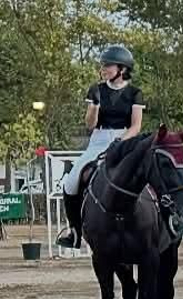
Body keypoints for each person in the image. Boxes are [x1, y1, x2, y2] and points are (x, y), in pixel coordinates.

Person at [56, 44, 146, 248]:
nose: (104, 68)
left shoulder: (135, 93)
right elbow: (90, 124)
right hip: (99, 140)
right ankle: (75, 232)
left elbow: (136, 126)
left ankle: (166, 220)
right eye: (103, 65)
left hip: (126, 139)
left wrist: (120, 141)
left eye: (108, 65)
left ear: (121, 69)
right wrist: (95, 106)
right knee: (70, 182)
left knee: (149, 172)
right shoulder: (96, 89)